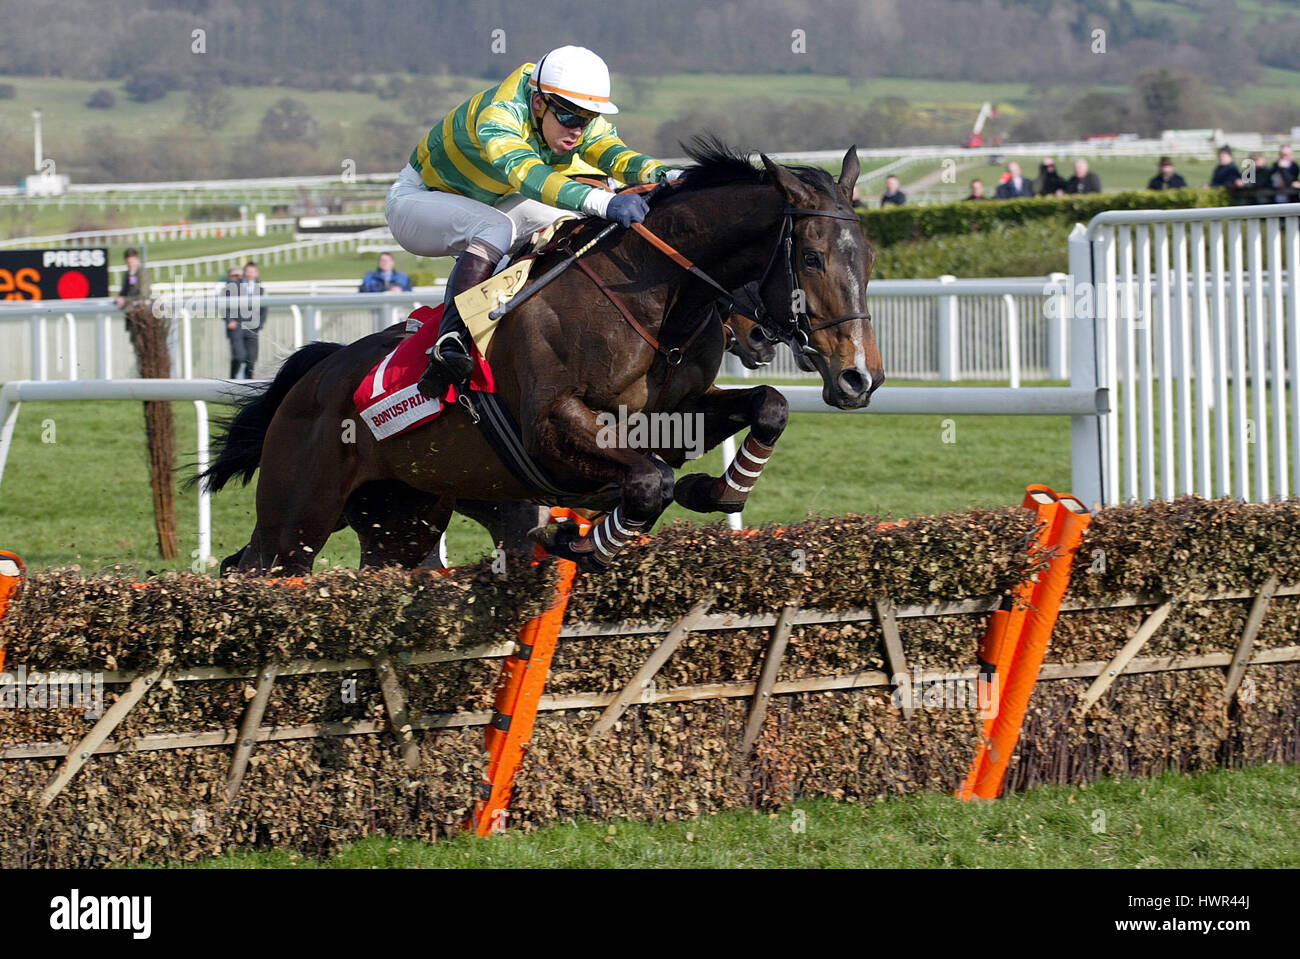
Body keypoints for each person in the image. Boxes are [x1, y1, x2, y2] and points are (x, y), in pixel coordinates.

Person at [385, 45, 681, 397]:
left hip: (490, 203)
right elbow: (529, 177)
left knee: (568, 220)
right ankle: (451, 342)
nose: (577, 131)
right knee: (495, 227)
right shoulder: (499, 116)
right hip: (417, 202)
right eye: (570, 119)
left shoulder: (565, 105)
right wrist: (605, 200)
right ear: (539, 103)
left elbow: (613, 153)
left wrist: (668, 174)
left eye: (586, 121)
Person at [227, 261, 265, 380]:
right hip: (236, 326)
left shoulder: (260, 289)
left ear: (256, 273)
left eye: (252, 272)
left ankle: (248, 385)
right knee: (239, 357)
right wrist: (229, 320)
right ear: (244, 272)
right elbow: (225, 305)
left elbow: (264, 308)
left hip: (252, 327)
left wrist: (259, 324)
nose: (250, 274)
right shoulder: (233, 286)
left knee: (251, 359)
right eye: (248, 271)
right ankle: (232, 380)